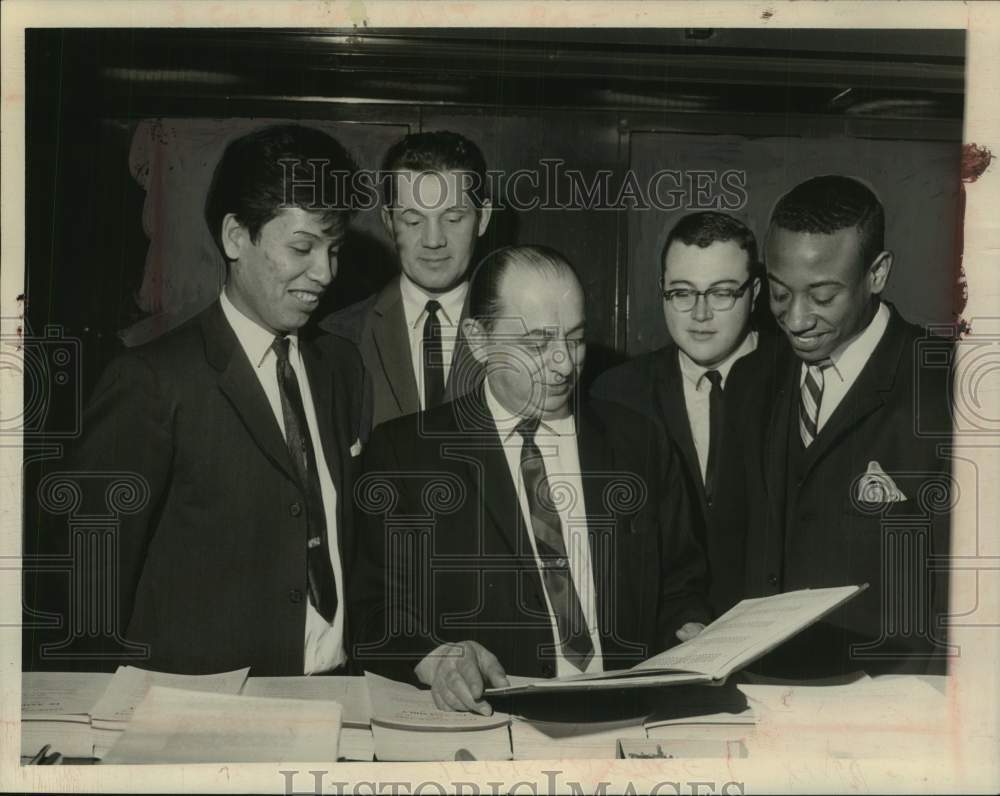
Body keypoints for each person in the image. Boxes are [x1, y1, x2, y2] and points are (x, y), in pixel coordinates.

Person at [351, 245, 710, 713]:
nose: (563, 364)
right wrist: (436, 658)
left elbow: (681, 586)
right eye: (538, 344)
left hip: (627, 720)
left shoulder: (639, 442)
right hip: (490, 727)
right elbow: (375, 611)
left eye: (576, 339)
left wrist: (693, 629)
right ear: (478, 341)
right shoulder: (405, 455)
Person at [62, 125, 364, 675]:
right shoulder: (149, 382)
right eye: (302, 247)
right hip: (201, 718)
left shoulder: (339, 366)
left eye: (334, 250)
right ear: (234, 237)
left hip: (339, 694)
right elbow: (89, 595)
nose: (324, 273)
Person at [740, 174, 952, 677]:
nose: (795, 319)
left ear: (877, 273)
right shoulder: (752, 380)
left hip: (897, 704)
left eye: (821, 295)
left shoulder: (949, 389)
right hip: (767, 692)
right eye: (778, 292)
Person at [592, 212, 775, 616]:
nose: (700, 313)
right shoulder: (617, 392)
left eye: (722, 292)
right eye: (681, 292)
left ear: (756, 290)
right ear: (661, 289)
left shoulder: (796, 380)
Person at [324, 131, 492, 437]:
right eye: (413, 221)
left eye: (453, 218)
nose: (433, 240)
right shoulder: (337, 337)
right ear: (388, 222)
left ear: (483, 219)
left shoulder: (519, 334)